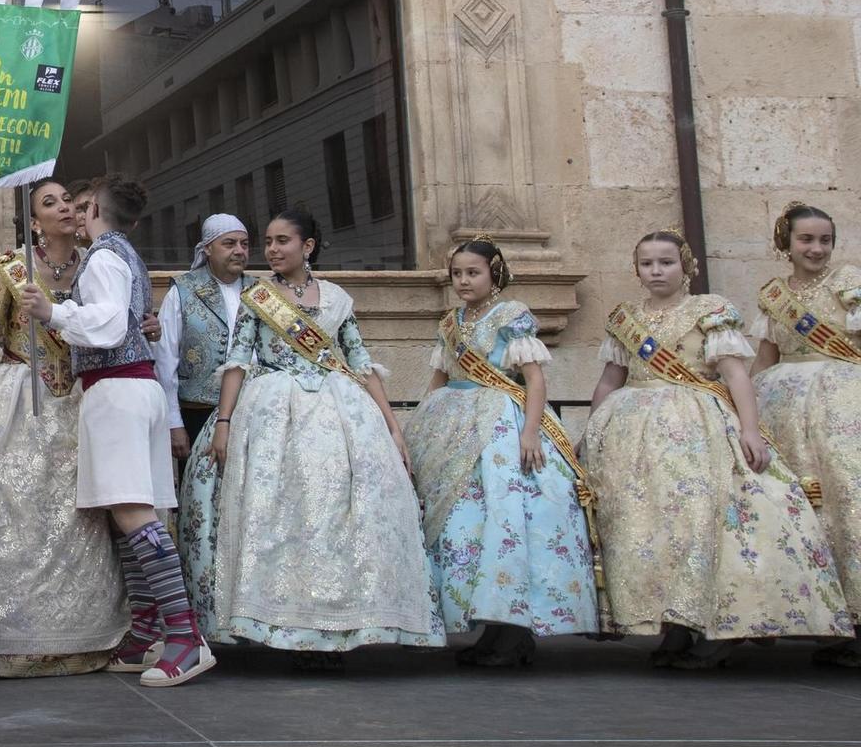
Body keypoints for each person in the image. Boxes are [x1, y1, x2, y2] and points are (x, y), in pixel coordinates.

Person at [587, 229, 850, 667]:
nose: (657, 270)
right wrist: (591, 431)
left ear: (685, 266)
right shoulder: (625, 318)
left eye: (667, 262)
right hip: (631, 437)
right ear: (636, 269)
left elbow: (736, 374)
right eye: (648, 263)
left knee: (701, 525)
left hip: (698, 429)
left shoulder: (709, 311)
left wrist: (750, 429)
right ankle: (672, 626)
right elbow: (610, 380)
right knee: (647, 529)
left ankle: (716, 628)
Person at [204, 209, 441, 670]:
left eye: (282, 241)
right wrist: (224, 421)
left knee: (338, 518)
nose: (272, 249)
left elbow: (361, 362)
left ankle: (338, 626)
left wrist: (391, 426)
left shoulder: (336, 299)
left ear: (307, 246)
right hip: (273, 413)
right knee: (283, 518)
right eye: (268, 241)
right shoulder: (259, 297)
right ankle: (286, 627)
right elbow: (237, 361)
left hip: (339, 412)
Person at [23, 174, 213, 687]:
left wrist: (53, 311)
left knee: (132, 511)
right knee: (131, 510)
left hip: (116, 390)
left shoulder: (103, 257)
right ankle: (148, 630)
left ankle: (184, 636)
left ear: (95, 214)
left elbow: (107, 325)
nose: (75, 213)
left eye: (83, 208)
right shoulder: (124, 253)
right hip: (139, 388)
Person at [0, 179, 126, 676]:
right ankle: (6, 639)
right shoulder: (10, 268)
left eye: (69, 200)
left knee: (79, 519)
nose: (64, 207)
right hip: (18, 400)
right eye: (50, 203)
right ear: (33, 222)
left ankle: (82, 639)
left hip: (84, 400)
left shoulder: (99, 264)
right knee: (12, 512)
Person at [404, 239, 598, 666]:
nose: (463, 281)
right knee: (463, 529)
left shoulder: (512, 315)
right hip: (450, 422)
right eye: (457, 274)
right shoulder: (449, 322)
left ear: (494, 273)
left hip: (500, 424)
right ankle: (489, 630)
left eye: (472, 272)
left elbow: (535, 380)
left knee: (503, 520)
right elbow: (438, 378)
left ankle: (512, 632)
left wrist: (529, 433)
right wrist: (417, 429)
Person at [751, 203, 861, 667]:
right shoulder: (774, 295)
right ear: (786, 243)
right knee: (792, 507)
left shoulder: (849, 283)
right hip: (781, 407)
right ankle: (813, 614)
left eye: (825, 240)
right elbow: (766, 355)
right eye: (806, 240)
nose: (816, 248)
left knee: (845, 500)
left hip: (841, 402)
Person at [163, 214, 249, 637]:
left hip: (248, 416)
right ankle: (201, 610)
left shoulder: (262, 293)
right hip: (197, 412)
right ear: (208, 249)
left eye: (243, 244)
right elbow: (166, 360)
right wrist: (174, 423)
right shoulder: (182, 291)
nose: (238, 252)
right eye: (229, 244)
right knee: (200, 514)